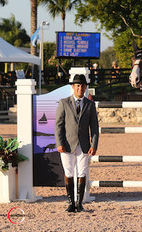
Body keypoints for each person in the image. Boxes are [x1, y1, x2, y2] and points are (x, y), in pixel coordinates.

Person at [55, 74, 99, 213]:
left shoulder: (90, 104)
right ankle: (70, 203)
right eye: (78, 86)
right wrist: (59, 142)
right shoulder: (64, 102)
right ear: (73, 87)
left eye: (82, 86)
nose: (80, 88)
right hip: (67, 143)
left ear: (86, 88)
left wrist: (94, 145)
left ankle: (79, 203)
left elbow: (95, 127)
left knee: (82, 172)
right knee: (68, 172)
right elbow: (58, 125)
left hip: (84, 144)